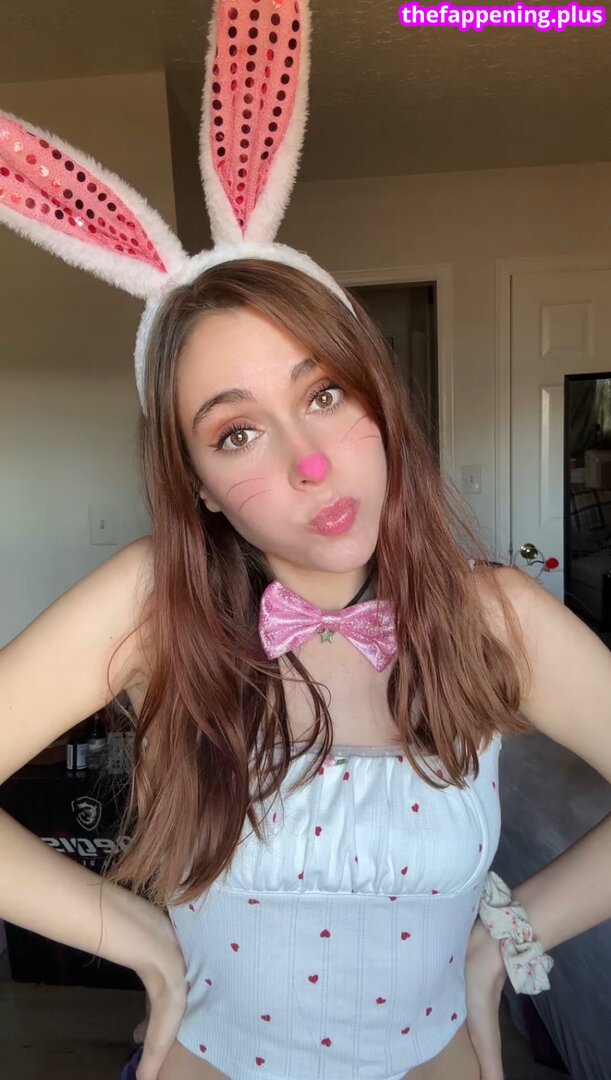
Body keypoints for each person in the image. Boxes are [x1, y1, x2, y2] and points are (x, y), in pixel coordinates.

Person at [1, 5, 611, 1080]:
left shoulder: (495, 619)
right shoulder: (154, 606)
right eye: (237, 432)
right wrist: (139, 942)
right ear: (199, 486)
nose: (310, 465)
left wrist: (500, 942)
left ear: (378, 397)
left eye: (323, 394)